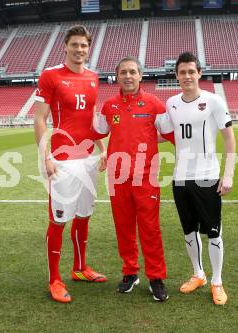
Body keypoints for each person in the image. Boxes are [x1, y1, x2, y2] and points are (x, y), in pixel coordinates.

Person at [34, 25, 107, 303]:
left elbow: (92, 116)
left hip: (88, 158)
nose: (79, 50)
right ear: (65, 46)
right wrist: (46, 156)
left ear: (89, 48)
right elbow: (40, 119)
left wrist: (102, 149)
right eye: (75, 44)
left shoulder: (93, 77)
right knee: (58, 220)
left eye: (84, 45)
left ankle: (80, 268)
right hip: (63, 161)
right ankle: (54, 279)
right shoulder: (51, 75)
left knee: (84, 215)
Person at [161, 52, 236, 305]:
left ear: (199, 73)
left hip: (207, 177)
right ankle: (198, 274)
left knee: (213, 233)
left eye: (191, 71)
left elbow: (229, 139)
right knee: (188, 231)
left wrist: (228, 174)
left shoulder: (214, 101)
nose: (187, 76)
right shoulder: (171, 103)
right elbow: (162, 133)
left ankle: (217, 281)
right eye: (182, 72)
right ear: (176, 76)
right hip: (180, 178)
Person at [93, 56, 169, 301]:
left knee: (150, 228)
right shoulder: (109, 106)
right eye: (123, 72)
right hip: (118, 177)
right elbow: (97, 131)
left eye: (132, 72)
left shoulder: (154, 103)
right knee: (124, 227)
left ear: (140, 76)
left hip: (146, 177)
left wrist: (147, 141)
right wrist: (103, 151)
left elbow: (168, 133)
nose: (128, 76)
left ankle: (156, 277)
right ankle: (130, 272)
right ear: (117, 76)